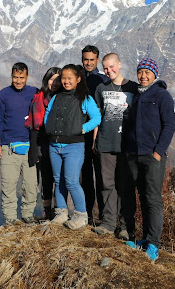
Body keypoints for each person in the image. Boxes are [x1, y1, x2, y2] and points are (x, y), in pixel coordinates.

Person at [121, 58, 175, 261]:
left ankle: (154, 244)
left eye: (147, 73)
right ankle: (144, 239)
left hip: (152, 156)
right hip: (134, 155)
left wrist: (158, 152)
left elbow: (170, 126)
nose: (143, 76)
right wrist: (128, 149)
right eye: (140, 72)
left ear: (155, 74)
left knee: (153, 199)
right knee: (142, 197)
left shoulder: (162, 96)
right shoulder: (136, 97)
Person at [44, 64, 101, 230]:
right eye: (63, 78)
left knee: (71, 181)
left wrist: (82, 129)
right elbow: (48, 114)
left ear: (78, 79)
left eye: (70, 78)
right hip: (54, 144)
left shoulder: (85, 98)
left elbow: (96, 118)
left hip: (74, 146)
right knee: (58, 180)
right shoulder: (57, 97)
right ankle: (61, 212)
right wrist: (50, 128)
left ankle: (81, 215)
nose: (66, 81)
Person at [92, 53, 138, 239]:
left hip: (126, 145)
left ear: (119, 64)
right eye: (105, 68)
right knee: (106, 184)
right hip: (105, 143)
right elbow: (97, 116)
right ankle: (109, 223)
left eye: (112, 66)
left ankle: (127, 226)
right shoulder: (101, 88)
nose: (108, 70)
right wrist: (95, 140)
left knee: (126, 186)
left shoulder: (132, 87)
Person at [0, 62, 38, 224]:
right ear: (11, 76)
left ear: (27, 77)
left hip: (30, 147)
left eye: (21, 77)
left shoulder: (34, 93)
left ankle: (27, 215)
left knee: (31, 185)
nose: (18, 81)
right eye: (15, 77)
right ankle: (10, 219)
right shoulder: (3, 95)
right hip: (8, 147)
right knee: (9, 185)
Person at [25, 67, 61, 220]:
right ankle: (47, 212)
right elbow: (34, 125)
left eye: (57, 80)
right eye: (51, 79)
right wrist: (34, 148)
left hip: (59, 144)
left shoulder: (63, 98)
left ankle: (59, 210)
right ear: (46, 80)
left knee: (59, 179)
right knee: (46, 180)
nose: (54, 83)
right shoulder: (38, 98)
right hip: (43, 145)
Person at [81, 45, 108, 223]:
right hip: (81, 134)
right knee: (85, 177)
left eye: (92, 59)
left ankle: (105, 217)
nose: (89, 63)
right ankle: (88, 215)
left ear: (97, 59)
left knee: (101, 177)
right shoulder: (78, 78)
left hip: (99, 134)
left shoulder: (104, 81)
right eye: (86, 59)